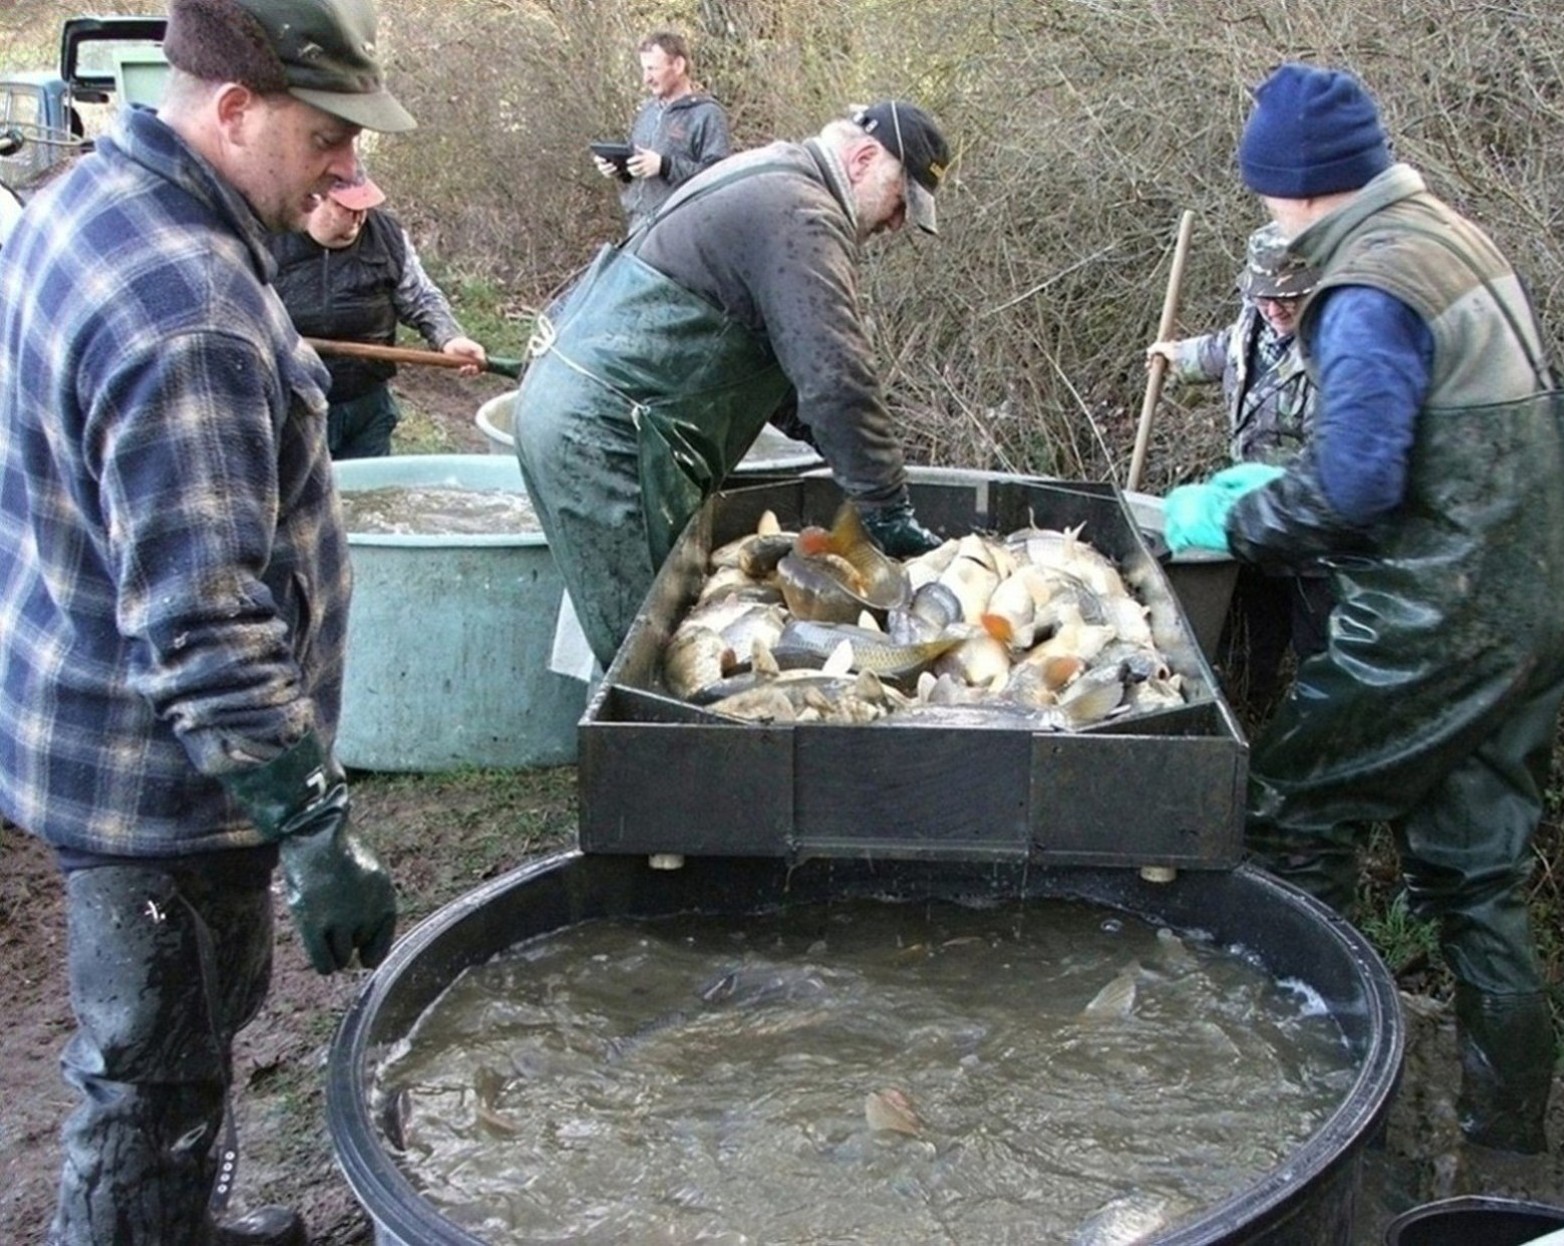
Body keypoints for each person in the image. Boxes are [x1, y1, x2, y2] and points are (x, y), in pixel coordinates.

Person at [0, 0, 412, 1242]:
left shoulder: (86, 199)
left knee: (184, 1036)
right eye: (326, 136)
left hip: (80, 700)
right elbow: (205, 626)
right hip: (157, 782)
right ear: (233, 110)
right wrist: (315, 825)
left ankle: (182, 1222)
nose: (347, 168)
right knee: (150, 1078)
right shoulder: (189, 309)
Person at [1164, 62, 1564, 1154]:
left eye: (1264, 193)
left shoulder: (1368, 284)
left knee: (1289, 819)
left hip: (1437, 613)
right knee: (1476, 877)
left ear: (1293, 186)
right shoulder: (1448, 236)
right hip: (1537, 597)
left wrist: (1239, 523)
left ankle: (1302, 1103)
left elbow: (1355, 485)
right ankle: (1506, 1139)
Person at [519, 99, 951, 668]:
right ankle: (621, 721)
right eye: (900, 199)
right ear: (864, 159)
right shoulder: (803, 212)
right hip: (608, 435)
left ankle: (606, 711)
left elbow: (791, 377)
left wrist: (849, 455)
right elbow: (835, 376)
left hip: (584, 413)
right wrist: (885, 503)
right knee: (656, 657)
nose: (896, 222)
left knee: (636, 632)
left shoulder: (774, 176)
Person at [1149, 223, 1331, 718]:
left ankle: (1313, 739)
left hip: (1314, 541)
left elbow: (1339, 464)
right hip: (1254, 525)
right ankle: (1248, 717)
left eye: (1288, 298)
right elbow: (1228, 349)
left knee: (1321, 655)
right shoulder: (1257, 319)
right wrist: (1179, 357)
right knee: (1249, 640)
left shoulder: (1338, 351)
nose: (1274, 309)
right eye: (1264, 296)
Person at [273, 172, 487, 458]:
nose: (359, 217)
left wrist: (449, 337)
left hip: (367, 404)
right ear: (317, 199)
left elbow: (420, 297)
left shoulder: (387, 236)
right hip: (295, 405)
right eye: (348, 208)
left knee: (370, 485)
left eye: (364, 207)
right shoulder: (273, 236)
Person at [593, 30, 732, 233]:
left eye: (652, 69)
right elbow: (639, 171)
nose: (646, 79)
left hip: (683, 229)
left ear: (678, 65)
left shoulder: (707, 114)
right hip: (639, 227)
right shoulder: (648, 111)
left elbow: (719, 178)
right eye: (644, 69)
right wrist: (619, 167)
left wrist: (664, 166)